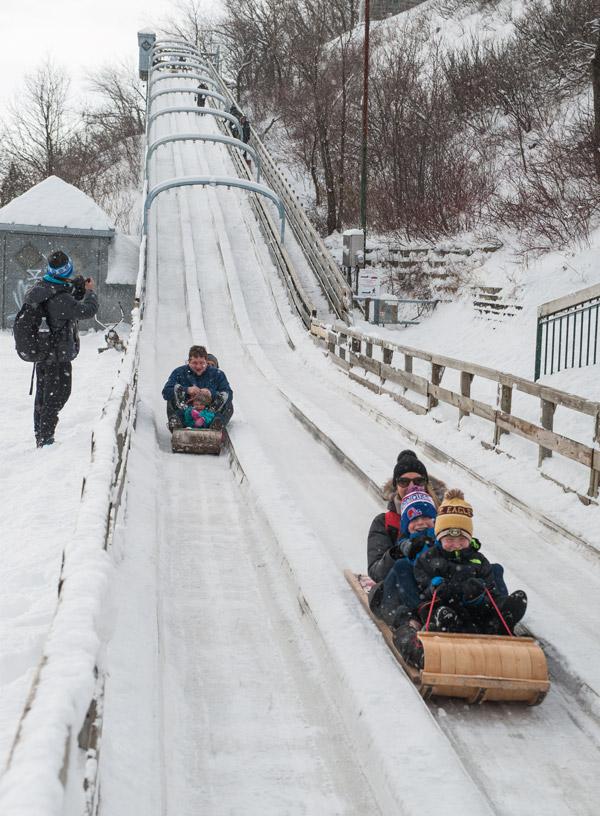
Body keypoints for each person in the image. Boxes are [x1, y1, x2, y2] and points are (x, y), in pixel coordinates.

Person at [413, 489, 527, 638]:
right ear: (439, 538)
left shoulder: (479, 560)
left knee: (492, 609)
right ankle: (445, 625)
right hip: (443, 606)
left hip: (476, 610)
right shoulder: (427, 558)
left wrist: (480, 594)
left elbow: (491, 590)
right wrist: (434, 588)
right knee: (441, 613)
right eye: (450, 539)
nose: (457, 544)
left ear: (470, 538)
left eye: (462, 539)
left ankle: (501, 621)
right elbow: (421, 593)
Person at [25, 250, 98, 448]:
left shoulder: (44, 287)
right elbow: (86, 310)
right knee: (57, 396)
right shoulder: (60, 297)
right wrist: (90, 292)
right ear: (67, 269)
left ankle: (40, 434)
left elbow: (66, 299)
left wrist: (78, 288)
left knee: (44, 395)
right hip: (57, 356)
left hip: (44, 353)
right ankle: (46, 438)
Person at [367, 450, 439, 628]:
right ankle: (413, 623)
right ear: (396, 485)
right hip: (401, 589)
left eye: (418, 481)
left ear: (426, 484)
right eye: (404, 481)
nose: (411, 486)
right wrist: (399, 552)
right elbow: (376, 572)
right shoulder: (384, 522)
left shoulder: (442, 517)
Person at [162, 345, 233, 432]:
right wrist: (186, 390)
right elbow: (165, 393)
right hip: (185, 410)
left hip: (211, 411)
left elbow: (229, 395)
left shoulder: (217, 374)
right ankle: (177, 423)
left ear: (206, 362)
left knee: (227, 401)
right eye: (194, 363)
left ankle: (216, 424)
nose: (198, 367)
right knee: (174, 392)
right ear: (189, 362)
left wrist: (211, 393)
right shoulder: (179, 372)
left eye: (202, 363)